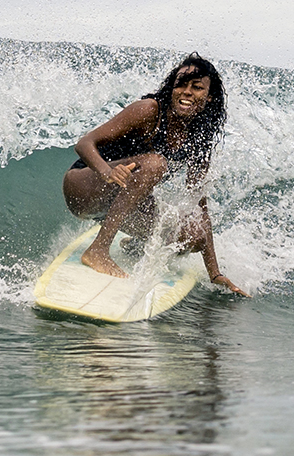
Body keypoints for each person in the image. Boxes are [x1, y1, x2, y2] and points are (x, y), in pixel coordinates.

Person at [63, 54, 249, 297]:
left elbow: (199, 206)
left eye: (197, 87)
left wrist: (215, 274)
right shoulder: (150, 111)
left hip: (117, 205)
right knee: (155, 164)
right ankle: (98, 250)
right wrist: (107, 171)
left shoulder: (199, 140)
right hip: (84, 187)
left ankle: (136, 246)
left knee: (191, 234)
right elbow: (85, 143)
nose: (187, 92)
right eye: (181, 84)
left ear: (209, 97)